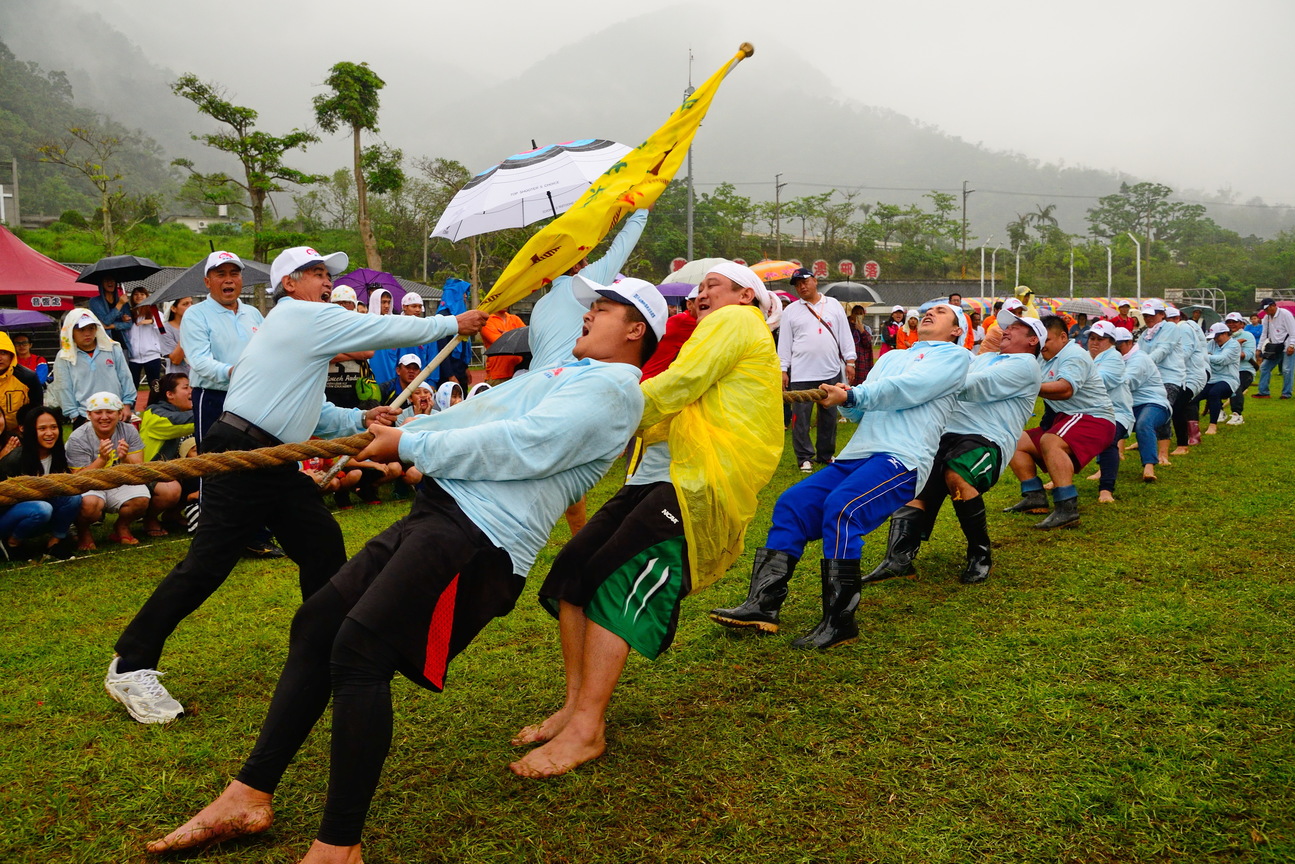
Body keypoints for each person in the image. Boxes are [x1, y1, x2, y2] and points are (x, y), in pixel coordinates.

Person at [144, 259, 654, 862]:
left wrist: (413, 444)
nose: (588, 309)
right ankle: (247, 795)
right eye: (589, 301)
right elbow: (483, 417)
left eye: (605, 305)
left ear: (635, 332)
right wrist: (409, 428)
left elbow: (526, 445)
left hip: (481, 538)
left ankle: (338, 847)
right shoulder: (568, 370)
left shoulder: (615, 390)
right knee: (317, 627)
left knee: (360, 653)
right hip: (440, 514)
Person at [104, 246, 487, 725]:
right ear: (289, 284)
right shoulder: (298, 316)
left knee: (323, 547)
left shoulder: (303, 332)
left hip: (275, 462)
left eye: (328, 275)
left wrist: (360, 416)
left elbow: (311, 407)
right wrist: (450, 323)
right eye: (316, 274)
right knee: (207, 566)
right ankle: (131, 664)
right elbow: (379, 329)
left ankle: (324, 646)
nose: (327, 282)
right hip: (242, 452)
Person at [512, 264, 781, 779]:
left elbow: (681, 383)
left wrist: (596, 416)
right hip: (655, 475)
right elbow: (671, 403)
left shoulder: (738, 321)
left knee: (617, 579)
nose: (702, 294)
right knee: (573, 573)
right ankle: (574, 706)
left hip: (697, 481)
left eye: (714, 286)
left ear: (748, 295)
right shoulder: (711, 334)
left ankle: (587, 728)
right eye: (700, 288)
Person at [710, 304, 970, 650]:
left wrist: (853, 393)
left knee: (843, 507)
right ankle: (763, 604)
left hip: (902, 458)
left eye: (941, 311)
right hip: (860, 453)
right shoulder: (892, 356)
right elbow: (861, 407)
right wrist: (843, 398)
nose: (929, 313)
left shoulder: (955, 357)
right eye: (926, 310)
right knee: (793, 503)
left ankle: (839, 621)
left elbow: (912, 388)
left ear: (957, 330)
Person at [862, 307, 1043, 586]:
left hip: (986, 439)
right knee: (915, 481)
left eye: (1015, 328)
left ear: (1033, 340)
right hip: (946, 435)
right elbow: (951, 372)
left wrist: (926, 381)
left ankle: (980, 555)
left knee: (956, 474)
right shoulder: (984, 358)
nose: (1005, 330)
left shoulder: (1025, 365)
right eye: (1005, 327)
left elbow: (972, 385)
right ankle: (898, 559)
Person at [1003, 315, 1116, 529]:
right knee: (1013, 441)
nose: (1042, 345)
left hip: (1094, 417)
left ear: (1064, 337)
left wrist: (1023, 386)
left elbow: (1065, 389)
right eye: (1039, 339)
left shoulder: (1074, 355)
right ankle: (1034, 496)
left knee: (1050, 441)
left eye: (1047, 339)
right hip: (1066, 418)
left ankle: (1067, 508)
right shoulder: (1041, 357)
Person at [67, 391, 181, 549]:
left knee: (141, 499)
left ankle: (122, 526)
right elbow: (78, 479)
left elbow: (139, 469)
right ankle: (83, 531)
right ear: (89, 415)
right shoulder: (77, 438)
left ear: (120, 414)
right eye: (98, 412)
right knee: (90, 504)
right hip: (91, 485)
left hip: (121, 481)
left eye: (110, 412)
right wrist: (102, 459)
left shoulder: (129, 431)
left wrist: (125, 457)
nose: (104, 417)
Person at [182, 251, 265, 446]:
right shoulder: (195, 314)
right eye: (221, 274)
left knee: (253, 455)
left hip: (253, 393)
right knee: (214, 462)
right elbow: (199, 361)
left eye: (234, 273)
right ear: (207, 282)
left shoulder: (252, 313)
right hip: (214, 397)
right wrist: (232, 372)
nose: (229, 280)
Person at [778, 267, 854, 472]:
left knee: (828, 417)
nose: (802, 286)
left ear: (815, 280)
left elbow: (845, 334)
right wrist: (783, 369)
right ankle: (804, 457)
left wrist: (850, 360)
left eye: (805, 281)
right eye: (797, 284)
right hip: (802, 373)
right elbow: (784, 343)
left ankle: (826, 454)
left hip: (829, 370)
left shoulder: (833, 305)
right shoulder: (791, 311)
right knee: (801, 418)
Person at [0, 405, 81, 559]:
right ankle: (11, 544)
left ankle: (55, 543)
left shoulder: (58, 455)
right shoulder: (15, 459)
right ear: (31, 431)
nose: (49, 433)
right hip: (8, 516)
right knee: (42, 508)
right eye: (42, 428)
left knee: (73, 498)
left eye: (53, 427)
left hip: (39, 511)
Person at [49, 309, 136, 426]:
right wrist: (75, 416)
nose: (87, 333)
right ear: (71, 331)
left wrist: (127, 405)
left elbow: (125, 377)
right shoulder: (64, 356)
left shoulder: (112, 348)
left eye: (91, 328)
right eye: (81, 329)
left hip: (115, 413)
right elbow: (63, 388)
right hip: (84, 416)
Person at [1083, 320, 1133, 504]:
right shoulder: (1087, 358)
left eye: (1100, 339)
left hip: (1116, 413)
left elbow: (1100, 382)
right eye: (1092, 338)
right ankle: (1060, 479)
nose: (1095, 342)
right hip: (1091, 412)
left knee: (1109, 439)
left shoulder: (1114, 358)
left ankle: (1106, 489)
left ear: (1111, 342)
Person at [1114, 326, 1169, 483]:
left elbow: (1128, 382)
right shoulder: (1113, 359)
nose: (1117, 349)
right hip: (1127, 405)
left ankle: (1149, 466)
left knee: (1144, 423)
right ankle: (1104, 467)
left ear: (1129, 342)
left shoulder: (1139, 359)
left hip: (1153, 402)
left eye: (1119, 345)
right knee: (1108, 427)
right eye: (1114, 345)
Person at [1136, 300, 1188, 466]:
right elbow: (1138, 354)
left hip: (1169, 378)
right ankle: (1151, 445)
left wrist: (1143, 365)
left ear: (1161, 314)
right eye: (1145, 315)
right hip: (1150, 379)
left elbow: (1163, 350)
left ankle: (1163, 454)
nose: (1148, 318)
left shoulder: (1170, 328)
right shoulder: (1145, 334)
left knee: (1160, 412)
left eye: (1151, 315)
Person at [1169, 305, 1207, 454]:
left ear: (1178, 318)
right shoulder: (1171, 330)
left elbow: (1185, 352)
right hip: (1179, 375)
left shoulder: (1183, 328)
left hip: (1192, 375)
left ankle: (1183, 445)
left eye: (1170, 318)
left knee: (1178, 406)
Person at [139, 373, 195, 462]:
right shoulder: (154, 415)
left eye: (191, 387)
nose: (191, 391)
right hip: (151, 473)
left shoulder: (178, 411)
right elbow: (183, 421)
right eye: (186, 387)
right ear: (169, 394)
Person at [0, 331, 43, 442]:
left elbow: (36, 409)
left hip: (20, 434)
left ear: (11, 355)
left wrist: (23, 430)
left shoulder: (27, 377)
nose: (0, 357)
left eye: (3, 353)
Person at [1200, 322, 1240, 434]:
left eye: (1218, 336)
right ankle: (1192, 425)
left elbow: (1222, 359)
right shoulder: (1212, 343)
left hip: (1229, 379)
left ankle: (1213, 425)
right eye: (1214, 337)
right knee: (1193, 396)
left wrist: (1205, 356)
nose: (1216, 339)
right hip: (1211, 379)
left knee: (1214, 393)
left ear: (1226, 333)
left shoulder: (1234, 345)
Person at [127, 293, 165, 403]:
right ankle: (132, 409)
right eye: (136, 294)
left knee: (154, 386)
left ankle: (155, 408)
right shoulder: (129, 315)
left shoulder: (155, 312)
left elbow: (162, 328)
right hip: (133, 357)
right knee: (132, 386)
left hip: (152, 355)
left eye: (142, 294)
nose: (139, 296)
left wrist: (151, 321)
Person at [1254, 297, 1295, 399]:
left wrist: (1292, 345)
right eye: (1264, 309)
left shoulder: (1285, 314)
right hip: (1275, 347)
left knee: (1286, 370)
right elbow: (1264, 334)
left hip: (1287, 346)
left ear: (1273, 306)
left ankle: (1286, 393)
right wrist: (1259, 348)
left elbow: (1293, 331)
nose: (1265, 311)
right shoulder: (1266, 318)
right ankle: (1263, 392)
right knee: (1264, 367)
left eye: (1267, 308)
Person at [1224, 311, 1257, 424]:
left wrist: (1230, 351)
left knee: (1235, 385)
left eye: (1235, 322)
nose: (1231, 324)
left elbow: (1247, 355)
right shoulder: (1223, 336)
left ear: (1241, 324)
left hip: (1244, 370)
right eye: (1229, 322)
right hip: (1225, 370)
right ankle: (1218, 412)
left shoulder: (1248, 336)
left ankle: (1237, 414)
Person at [87, 278, 133, 353]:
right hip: (104, 346)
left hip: (122, 344)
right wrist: (119, 304)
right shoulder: (95, 302)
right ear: (101, 284)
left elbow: (129, 324)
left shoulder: (123, 302)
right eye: (106, 280)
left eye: (113, 280)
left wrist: (111, 326)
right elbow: (106, 321)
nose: (110, 282)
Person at [481, 305, 526, 382]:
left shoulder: (515, 319)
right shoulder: (487, 321)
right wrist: (515, 335)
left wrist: (507, 335)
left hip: (519, 372)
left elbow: (526, 337)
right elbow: (499, 342)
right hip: (498, 374)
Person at [158, 296, 195, 377]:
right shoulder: (165, 330)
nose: (190, 307)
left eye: (191, 303)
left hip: (199, 377)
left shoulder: (198, 326)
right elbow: (176, 360)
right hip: (178, 378)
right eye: (185, 304)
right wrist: (186, 330)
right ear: (173, 308)